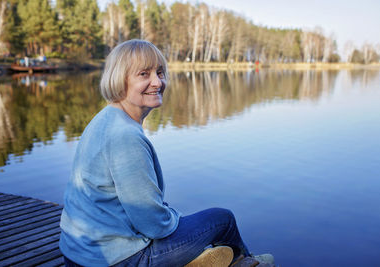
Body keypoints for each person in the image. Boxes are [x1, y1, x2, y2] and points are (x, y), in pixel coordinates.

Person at [59, 39, 264, 267]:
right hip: (118, 260)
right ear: (120, 79)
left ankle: (216, 260)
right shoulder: (125, 137)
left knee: (185, 223)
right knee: (222, 220)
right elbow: (152, 223)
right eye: (144, 74)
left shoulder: (105, 119)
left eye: (160, 72)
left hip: (78, 254)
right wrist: (175, 217)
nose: (157, 82)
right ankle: (249, 263)